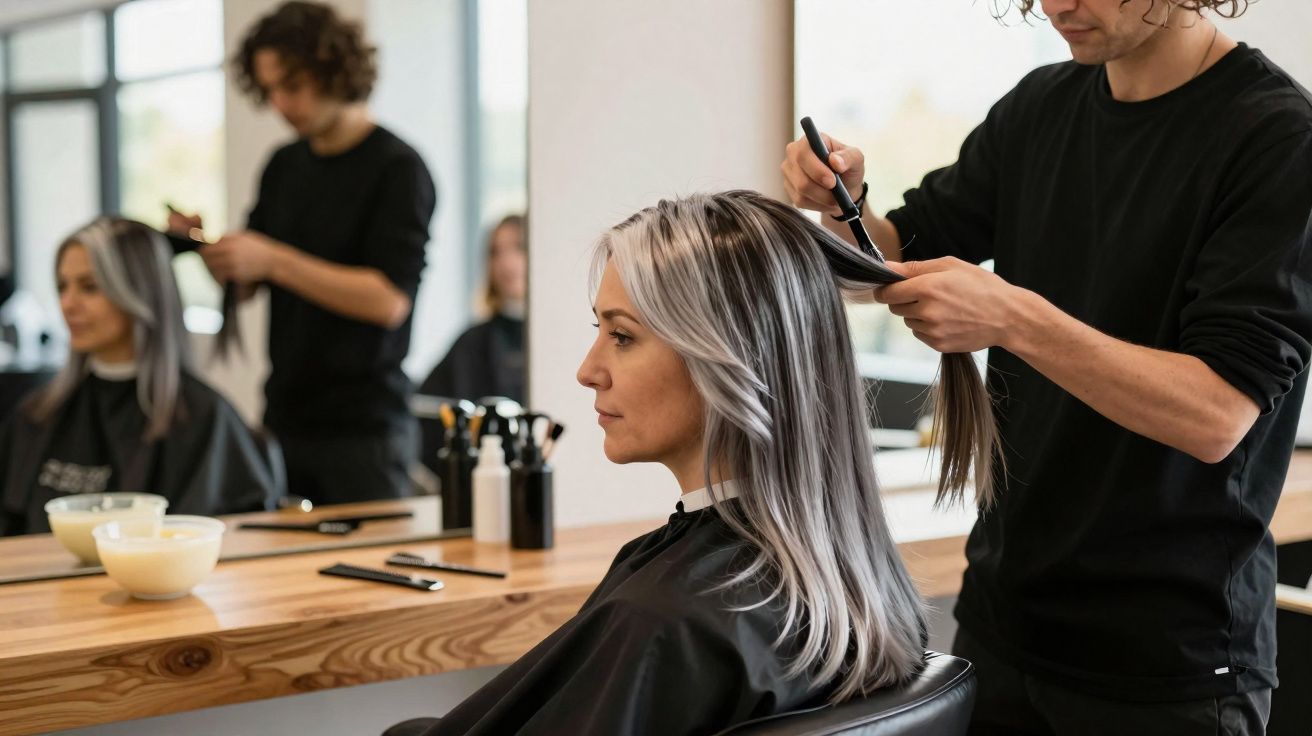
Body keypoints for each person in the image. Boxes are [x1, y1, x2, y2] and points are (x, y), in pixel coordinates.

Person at [783, 0, 1312, 732]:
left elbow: (1216, 414)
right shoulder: (1040, 106)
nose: (1057, 5)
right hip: (1004, 627)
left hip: (1167, 668)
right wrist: (844, 207)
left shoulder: (1278, 138)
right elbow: (890, 258)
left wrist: (1012, 318)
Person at [384, 191, 930, 736]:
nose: (587, 371)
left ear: (728, 358)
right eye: (598, 331)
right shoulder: (862, 573)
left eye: (622, 336)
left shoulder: (667, 619)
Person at [168, 1, 437, 505]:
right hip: (285, 418)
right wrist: (216, 254)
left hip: (364, 432)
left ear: (334, 69)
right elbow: (248, 289)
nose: (279, 103)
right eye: (268, 89)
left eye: (291, 85)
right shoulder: (283, 166)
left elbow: (388, 301)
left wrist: (272, 259)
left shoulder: (398, 168)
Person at [0, 218, 275, 536]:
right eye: (63, 287)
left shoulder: (201, 418)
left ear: (140, 293)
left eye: (90, 287)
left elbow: (230, 538)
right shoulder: (37, 415)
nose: (67, 304)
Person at [419, 214, 527, 404]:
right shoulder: (473, 343)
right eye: (495, 252)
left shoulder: (554, 339)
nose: (506, 262)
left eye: (518, 247)